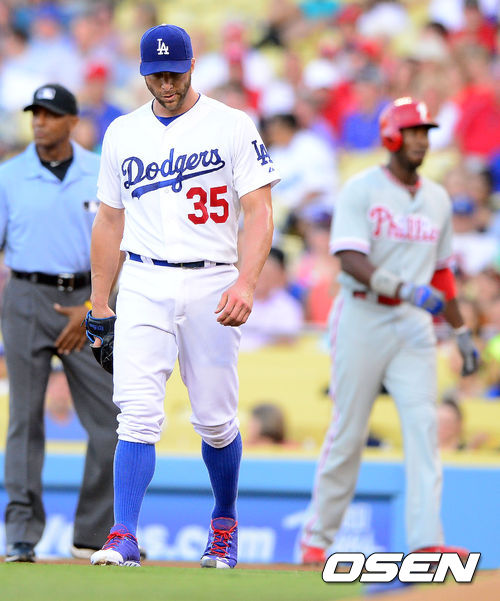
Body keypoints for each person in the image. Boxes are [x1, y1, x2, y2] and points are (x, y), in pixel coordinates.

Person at [87, 24, 279, 568]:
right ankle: (123, 535)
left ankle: (224, 524)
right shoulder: (123, 131)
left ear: (192, 65)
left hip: (212, 279)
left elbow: (260, 210)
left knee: (216, 420)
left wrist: (246, 281)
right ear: (143, 73)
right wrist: (100, 301)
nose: (167, 84)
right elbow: (109, 219)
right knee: (135, 414)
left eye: (174, 73)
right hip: (144, 279)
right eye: (157, 75)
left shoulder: (231, 124)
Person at [299, 97, 480, 565]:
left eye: (426, 132)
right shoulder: (361, 188)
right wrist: (401, 288)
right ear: (391, 135)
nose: (421, 139)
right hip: (363, 314)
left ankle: (426, 540)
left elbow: (441, 273)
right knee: (349, 429)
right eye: (413, 130)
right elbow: (349, 258)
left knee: (424, 428)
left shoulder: (437, 198)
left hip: (413, 324)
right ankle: (317, 537)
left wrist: (461, 331)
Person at [0, 83, 119, 563]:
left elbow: (121, 247)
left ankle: (92, 534)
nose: (40, 122)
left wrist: (91, 304)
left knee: (111, 422)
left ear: (73, 121)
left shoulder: (100, 171)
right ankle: (21, 533)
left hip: (87, 298)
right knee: (24, 420)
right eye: (36, 114)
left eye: (50, 114)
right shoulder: (8, 175)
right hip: (27, 295)